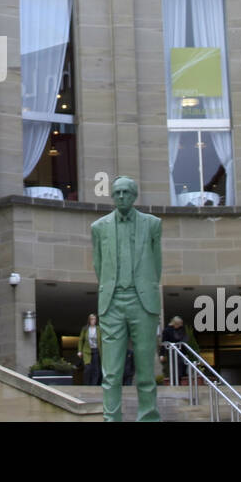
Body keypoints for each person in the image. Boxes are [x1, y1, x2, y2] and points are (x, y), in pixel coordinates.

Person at [90, 175, 163, 422]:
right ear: (112, 196)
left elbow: (156, 265)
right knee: (111, 372)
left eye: (126, 193)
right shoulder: (99, 228)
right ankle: (111, 418)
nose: (121, 197)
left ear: (134, 196)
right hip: (113, 302)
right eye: (117, 192)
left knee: (145, 370)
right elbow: (99, 266)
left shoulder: (152, 224)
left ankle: (149, 417)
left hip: (141, 302)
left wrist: (145, 288)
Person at [79, 313, 103, 386]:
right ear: (89, 320)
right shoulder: (85, 329)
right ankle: (86, 384)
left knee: (96, 369)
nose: (93, 320)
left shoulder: (99, 329)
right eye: (91, 319)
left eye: (94, 319)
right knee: (87, 368)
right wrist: (79, 351)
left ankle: (94, 385)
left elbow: (103, 339)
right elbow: (80, 340)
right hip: (87, 351)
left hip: (96, 350)